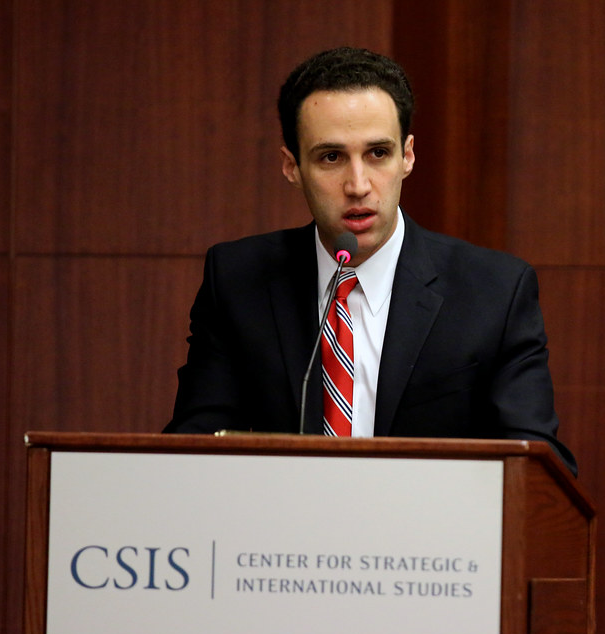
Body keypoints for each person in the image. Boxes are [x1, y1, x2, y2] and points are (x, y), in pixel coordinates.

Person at [165, 46, 576, 475]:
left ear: (407, 156)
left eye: (378, 153)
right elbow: (192, 449)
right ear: (292, 167)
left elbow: (538, 469)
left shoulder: (494, 291)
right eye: (331, 157)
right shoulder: (238, 281)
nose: (358, 185)